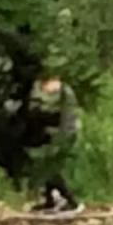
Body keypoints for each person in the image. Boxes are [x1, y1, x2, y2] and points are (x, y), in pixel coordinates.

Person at [31, 77, 83, 213]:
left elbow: (63, 116)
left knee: (50, 168)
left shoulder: (59, 90)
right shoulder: (40, 86)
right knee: (45, 165)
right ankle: (50, 200)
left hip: (61, 134)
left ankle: (72, 201)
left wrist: (62, 138)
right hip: (49, 133)